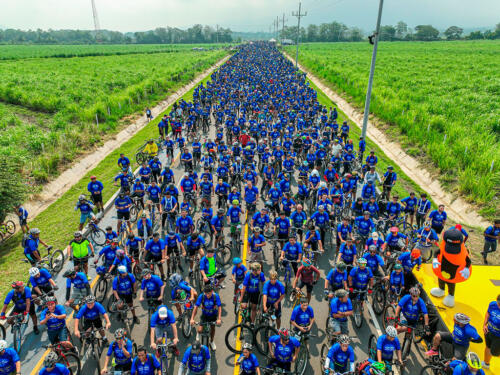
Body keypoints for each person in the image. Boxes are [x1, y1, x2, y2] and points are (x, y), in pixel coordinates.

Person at [191, 284, 222, 351]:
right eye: (206, 293)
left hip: (213, 315)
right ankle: (198, 333)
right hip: (204, 315)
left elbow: (219, 307)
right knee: (199, 330)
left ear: (212, 291)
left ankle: (212, 341)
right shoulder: (201, 296)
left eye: (209, 293)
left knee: (213, 328)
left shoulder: (215, 296)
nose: (207, 295)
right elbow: (196, 307)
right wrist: (192, 318)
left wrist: (219, 319)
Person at [482, 294, 500, 369]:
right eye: (498, 304)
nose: (499, 306)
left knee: (495, 353)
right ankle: (486, 363)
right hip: (489, 331)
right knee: (488, 347)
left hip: (498, 337)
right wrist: (484, 324)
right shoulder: (493, 304)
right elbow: (488, 313)